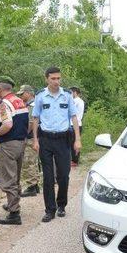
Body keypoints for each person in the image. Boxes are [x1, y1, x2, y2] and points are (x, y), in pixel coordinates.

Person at [32, 67, 81, 223]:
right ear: (47, 79)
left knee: (63, 176)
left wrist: (77, 139)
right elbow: (35, 119)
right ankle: (49, 210)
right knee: (47, 177)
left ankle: (61, 205)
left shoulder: (66, 95)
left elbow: (73, 117)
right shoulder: (40, 96)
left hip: (63, 139)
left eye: (58, 78)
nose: (56, 81)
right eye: (53, 78)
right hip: (45, 139)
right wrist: (35, 140)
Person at [0, 76, 29, 225]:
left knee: (8, 179)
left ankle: (14, 212)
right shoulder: (20, 101)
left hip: (8, 144)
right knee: (16, 176)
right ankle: (12, 204)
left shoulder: (4, 103)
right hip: (21, 142)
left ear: (0, 89)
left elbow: (7, 124)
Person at [16, 84, 40, 197]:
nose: (20, 96)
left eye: (22, 94)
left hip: (30, 137)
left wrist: (23, 135)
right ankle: (35, 185)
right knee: (31, 161)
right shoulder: (30, 104)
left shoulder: (32, 105)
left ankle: (32, 186)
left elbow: (31, 122)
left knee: (28, 161)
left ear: (28, 93)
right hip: (32, 136)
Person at [69, 87, 85, 167]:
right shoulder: (81, 101)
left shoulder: (75, 101)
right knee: (74, 142)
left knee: (74, 143)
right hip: (78, 124)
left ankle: (74, 160)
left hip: (74, 124)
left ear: (75, 92)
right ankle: (74, 159)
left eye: (71, 92)